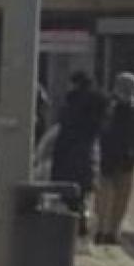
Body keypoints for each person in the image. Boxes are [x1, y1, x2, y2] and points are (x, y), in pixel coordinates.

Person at [95, 72, 134, 246]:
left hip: (127, 159)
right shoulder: (106, 106)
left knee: (121, 197)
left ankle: (113, 231)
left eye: (131, 87)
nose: (128, 90)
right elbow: (99, 129)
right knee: (104, 195)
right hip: (107, 157)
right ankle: (102, 230)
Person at [51, 71, 108, 237]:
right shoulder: (99, 104)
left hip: (68, 153)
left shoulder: (73, 103)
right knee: (81, 192)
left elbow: (64, 126)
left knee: (68, 192)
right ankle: (80, 222)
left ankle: (72, 224)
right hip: (86, 154)